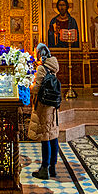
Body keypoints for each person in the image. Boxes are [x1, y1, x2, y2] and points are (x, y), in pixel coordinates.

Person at [28, 43, 60, 180]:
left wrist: (28, 86)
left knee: (45, 136)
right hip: (53, 105)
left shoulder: (42, 68)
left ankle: (44, 168)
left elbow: (37, 88)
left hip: (44, 105)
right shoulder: (54, 66)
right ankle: (53, 167)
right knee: (53, 135)